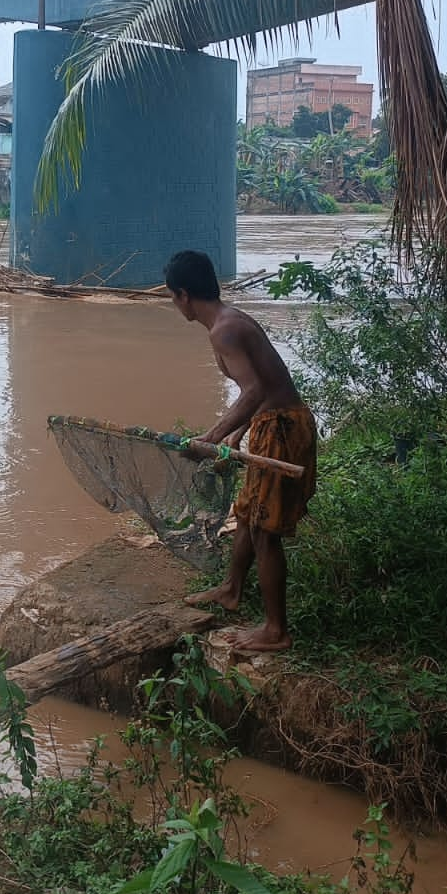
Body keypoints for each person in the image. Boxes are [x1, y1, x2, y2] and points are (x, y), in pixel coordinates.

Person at [164, 250, 317, 652]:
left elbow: (255, 390)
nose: (174, 304)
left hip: (282, 429)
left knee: (266, 533)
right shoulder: (229, 320)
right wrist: (238, 433)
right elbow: (265, 383)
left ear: (182, 295)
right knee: (249, 514)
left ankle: (275, 630)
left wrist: (210, 438)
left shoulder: (224, 331)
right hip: (273, 423)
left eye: (171, 297)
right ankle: (231, 589)